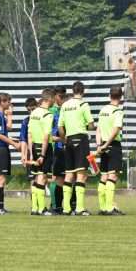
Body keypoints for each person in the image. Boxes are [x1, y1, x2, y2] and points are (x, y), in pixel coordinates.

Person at [58, 81, 95, 216]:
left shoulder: (65, 105)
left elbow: (60, 127)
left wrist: (64, 139)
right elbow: (91, 125)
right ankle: (79, 208)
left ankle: (66, 208)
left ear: (72, 91)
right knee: (81, 175)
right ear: (83, 91)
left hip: (68, 140)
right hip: (81, 139)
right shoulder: (84, 104)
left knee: (68, 174)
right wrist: (91, 126)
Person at [95, 86, 125, 216]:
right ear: (121, 97)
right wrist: (107, 144)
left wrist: (99, 145)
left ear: (109, 96)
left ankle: (103, 207)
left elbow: (98, 129)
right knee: (112, 176)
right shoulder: (117, 111)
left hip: (102, 146)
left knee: (104, 176)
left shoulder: (103, 110)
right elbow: (116, 129)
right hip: (113, 145)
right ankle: (109, 208)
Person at [0, 93, 20, 214]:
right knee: (0, 178)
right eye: (8, 102)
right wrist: (14, 144)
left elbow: (6, 130)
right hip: (0, 149)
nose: (9, 104)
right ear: (2, 102)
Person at [28, 89, 55, 216]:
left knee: (36, 176)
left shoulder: (34, 113)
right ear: (49, 99)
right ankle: (42, 208)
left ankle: (34, 208)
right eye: (53, 98)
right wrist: (43, 154)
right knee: (42, 177)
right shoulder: (47, 114)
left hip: (34, 146)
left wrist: (31, 153)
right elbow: (46, 136)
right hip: (44, 147)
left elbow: (29, 134)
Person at [48, 86, 67, 213]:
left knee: (68, 177)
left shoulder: (64, 109)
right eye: (61, 97)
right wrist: (62, 140)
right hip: (57, 149)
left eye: (64, 96)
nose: (62, 99)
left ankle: (68, 205)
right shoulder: (51, 111)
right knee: (57, 177)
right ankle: (54, 205)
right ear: (55, 97)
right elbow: (49, 134)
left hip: (67, 149)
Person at [19, 97, 38, 181]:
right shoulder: (25, 121)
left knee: (42, 177)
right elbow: (23, 139)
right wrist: (23, 154)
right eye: (28, 111)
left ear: (37, 106)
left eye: (33, 109)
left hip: (42, 150)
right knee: (32, 178)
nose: (31, 112)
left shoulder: (43, 118)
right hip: (30, 152)